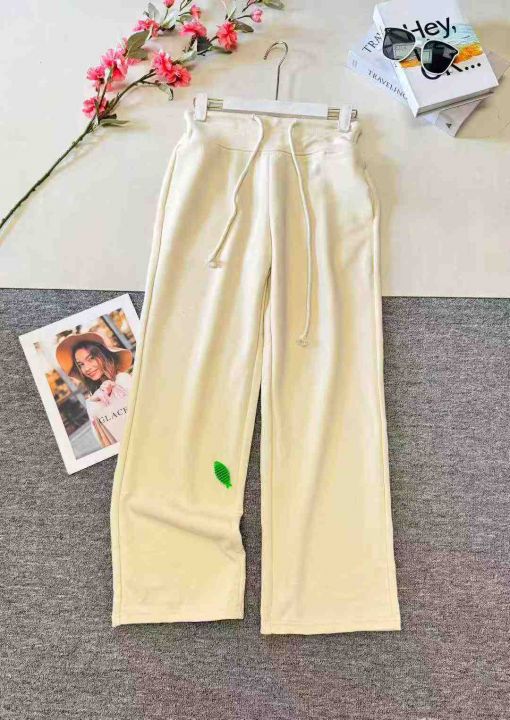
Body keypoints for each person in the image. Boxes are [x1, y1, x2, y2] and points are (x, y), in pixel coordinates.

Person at [55, 331, 133, 447]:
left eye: (91, 358)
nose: (86, 368)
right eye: (81, 364)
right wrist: (94, 402)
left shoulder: (123, 381)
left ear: (103, 355)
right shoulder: (94, 396)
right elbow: (101, 438)